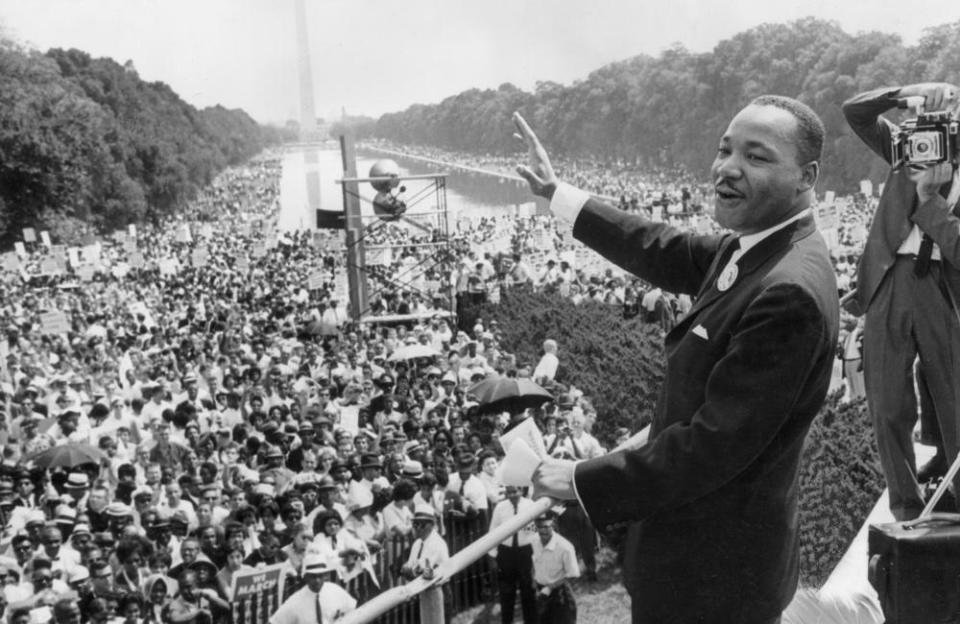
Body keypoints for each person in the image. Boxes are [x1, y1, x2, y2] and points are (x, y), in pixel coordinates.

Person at [516, 93, 839, 624]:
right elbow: (661, 247)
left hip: (714, 580)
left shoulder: (789, 291)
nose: (727, 169)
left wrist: (581, 478)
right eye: (724, 150)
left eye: (756, 157)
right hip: (698, 561)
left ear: (807, 176)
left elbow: (711, 449)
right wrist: (559, 196)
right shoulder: (755, 248)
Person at [842, 82, 960, 520]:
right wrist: (908, 92)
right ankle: (906, 508)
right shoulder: (906, 145)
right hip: (889, 280)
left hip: (942, 289)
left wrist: (930, 200)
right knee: (888, 403)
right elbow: (855, 111)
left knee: (955, 403)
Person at [488, 486, 537, 624]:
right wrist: (492, 556)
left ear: (521, 491)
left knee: (528, 591)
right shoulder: (500, 508)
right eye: (509, 492)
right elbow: (493, 531)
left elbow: (535, 531)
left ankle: (531, 621)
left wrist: (536, 555)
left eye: (515, 491)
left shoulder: (531, 505)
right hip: (506, 553)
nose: (512, 495)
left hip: (525, 552)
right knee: (506, 592)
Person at [269, 552, 355, 624]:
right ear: (305, 577)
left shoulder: (335, 591)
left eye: (320, 576)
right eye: (313, 576)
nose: (317, 580)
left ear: (325, 576)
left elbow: (354, 611)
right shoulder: (295, 602)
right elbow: (274, 622)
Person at [530, 512, 578, 624]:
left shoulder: (565, 547)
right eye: (539, 527)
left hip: (560, 594)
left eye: (546, 527)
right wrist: (533, 581)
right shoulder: (534, 540)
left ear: (554, 525)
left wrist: (550, 587)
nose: (542, 531)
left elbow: (572, 574)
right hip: (541, 593)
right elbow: (535, 561)